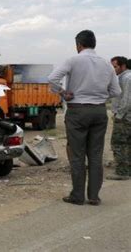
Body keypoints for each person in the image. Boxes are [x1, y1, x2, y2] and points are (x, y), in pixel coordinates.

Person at [48, 30, 121, 206]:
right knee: (96, 155)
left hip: (77, 111)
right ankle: (94, 196)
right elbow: (116, 92)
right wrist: (100, 96)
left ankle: (78, 195)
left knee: (77, 155)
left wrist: (63, 92)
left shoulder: (73, 60)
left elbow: (52, 79)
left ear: (79, 45)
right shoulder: (106, 64)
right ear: (94, 44)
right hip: (99, 111)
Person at [107, 56, 131, 180]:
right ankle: (127, 169)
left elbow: (127, 100)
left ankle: (122, 172)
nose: (113, 69)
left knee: (118, 143)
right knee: (127, 143)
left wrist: (119, 115)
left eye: (115, 67)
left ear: (123, 66)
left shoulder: (126, 78)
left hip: (125, 118)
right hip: (127, 117)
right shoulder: (123, 77)